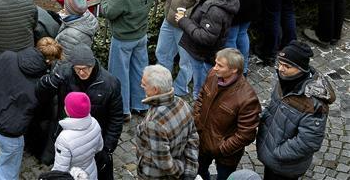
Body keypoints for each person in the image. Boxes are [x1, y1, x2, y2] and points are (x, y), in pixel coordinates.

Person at [37, 45, 124, 180]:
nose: (82, 72)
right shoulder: (64, 73)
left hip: (94, 139)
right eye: (78, 69)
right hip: (69, 137)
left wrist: (108, 148)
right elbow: (41, 96)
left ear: (93, 64)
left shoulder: (110, 83)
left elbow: (116, 118)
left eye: (85, 68)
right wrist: (49, 82)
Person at [255, 41, 336, 180]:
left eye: (287, 66)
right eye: (280, 63)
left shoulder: (313, 103)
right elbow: (273, 108)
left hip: (285, 166)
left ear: (301, 69)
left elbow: (309, 141)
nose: (281, 69)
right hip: (271, 157)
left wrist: (277, 153)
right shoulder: (284, 80)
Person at [0, 45, 51, 180]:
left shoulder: (7, 56)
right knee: (7, 172)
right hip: (10, 133)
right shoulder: (41, 85)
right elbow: (40, 115)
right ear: (48, 61)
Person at [192, 48, 259, 180]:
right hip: (202, 141)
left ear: (234, 69)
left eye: (220, 65)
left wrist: (221, 148)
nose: (215, 68)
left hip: (225, 155)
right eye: (215, 63)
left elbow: (246, 134)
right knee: (199, 172)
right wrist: (197, 121)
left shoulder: (247, 98)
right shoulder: (213, 75)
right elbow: (201, 97)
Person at [176, 0, 240, 96]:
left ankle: (199, 106)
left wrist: (183, 21)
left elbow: (206, 37)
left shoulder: (214, 9)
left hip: (202, 56)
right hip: (206, 55)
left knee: (201, 90)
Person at [102, 0, 154, 117]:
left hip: (123, 40)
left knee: (120, 75)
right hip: (140, 37)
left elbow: (108, 11)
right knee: (139, 71)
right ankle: (141, 105)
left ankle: (123, 110)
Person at [133, 65, 198, 180]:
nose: (141, 86)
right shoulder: (182, 103)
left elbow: (164, 163)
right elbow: (193, 136)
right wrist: (190, 167)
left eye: (144, 84)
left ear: (155, 90)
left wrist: (181, 169)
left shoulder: (154, 123)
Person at [52, 92, 103, 180]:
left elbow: (60, 170)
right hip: (91, 171)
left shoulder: (64, 138)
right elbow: (99, 148)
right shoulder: (95, 123)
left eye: (66, 105)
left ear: (69, 111)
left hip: (74, 176)